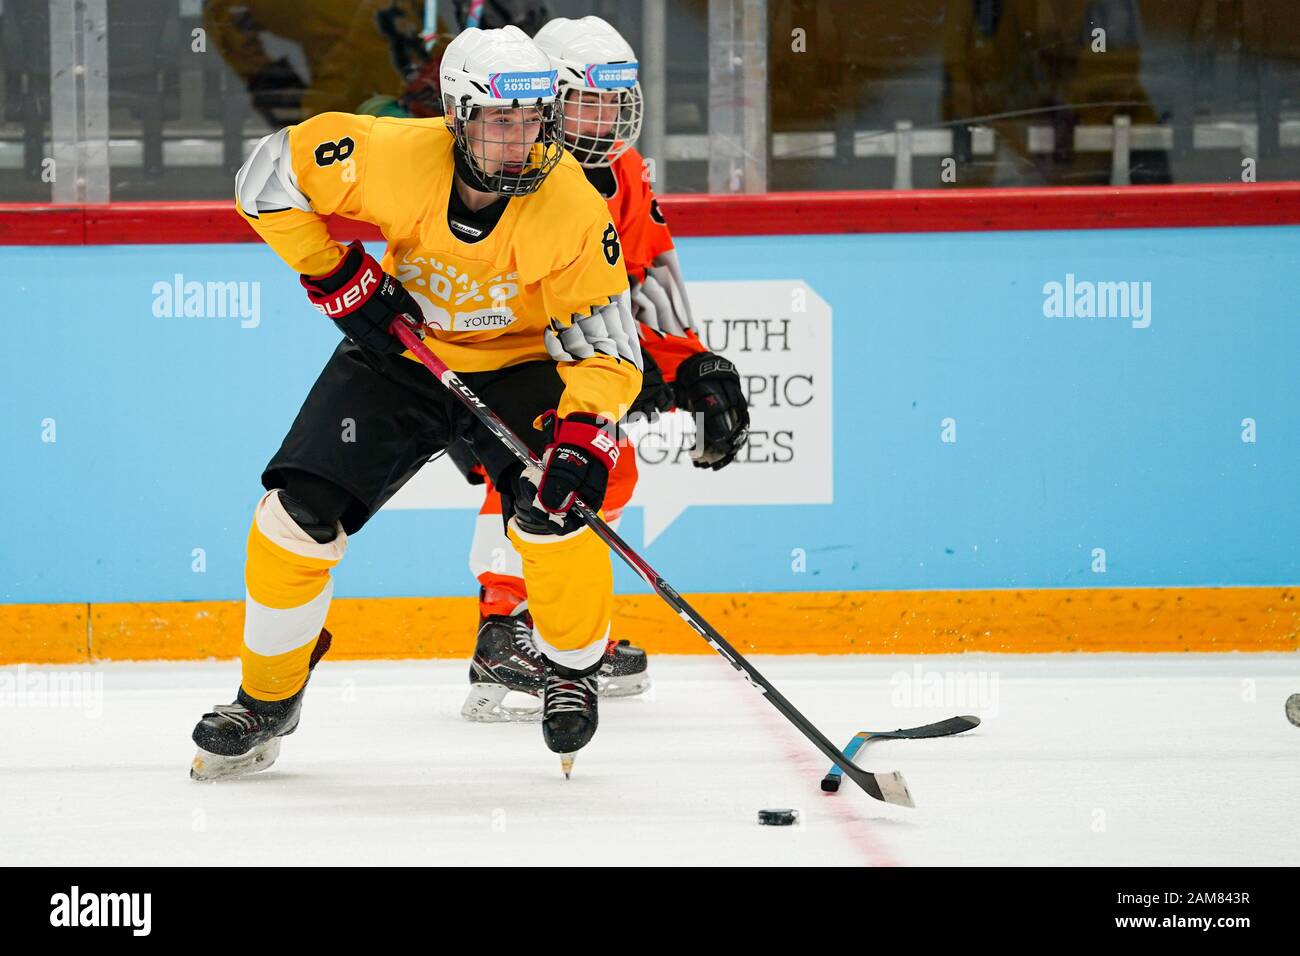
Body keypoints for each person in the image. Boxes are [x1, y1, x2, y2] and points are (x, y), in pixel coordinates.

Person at [190, 25, 642, 781]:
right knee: (295, 513)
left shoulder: (571, 206)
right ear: (457, 115)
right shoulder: (390, 155)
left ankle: (570, 670)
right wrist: (335, 273)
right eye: (501, 120)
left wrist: (586, 430)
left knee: (556, 504)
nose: (521, 140)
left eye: (534, 120)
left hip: (522, 364)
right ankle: (267, 697)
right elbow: (265, 180)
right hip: (401, 355)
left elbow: (608, 350)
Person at [455, 16, 751, 721]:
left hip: (574, 350)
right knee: (543, 454)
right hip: (490, 353)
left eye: (614, 104)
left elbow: (646, 277)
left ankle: (551, 629)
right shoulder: (509, 170)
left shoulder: (623, 171)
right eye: (585, 102)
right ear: (545, 104)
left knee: (605, 466)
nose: (602, 120)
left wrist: (692, 365)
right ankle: (503, 628)